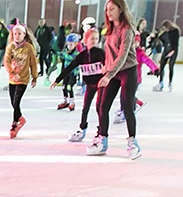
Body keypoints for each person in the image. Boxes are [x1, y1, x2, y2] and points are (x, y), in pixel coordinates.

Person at [86, 0, 141, 159]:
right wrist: (106, 70)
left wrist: (109, 75)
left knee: (127, 106)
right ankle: (102, 140)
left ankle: (133, 142)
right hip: (112, 71)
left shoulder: (127, 30)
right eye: (107, 9)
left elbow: (123, 56)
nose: (108, 12)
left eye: (112, 9)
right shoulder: (109, 30)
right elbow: (110, 53)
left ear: (120, 9)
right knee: (103, 106)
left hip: (127, 71)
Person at [54, 27, 105, 143]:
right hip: (90, 85)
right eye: (92, 38)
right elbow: (70, 67)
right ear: (86, 40)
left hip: (101, 84)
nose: (94, 41)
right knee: (85, 107)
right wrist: (58, 80)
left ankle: (101, 131)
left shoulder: (100, 53)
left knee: (100, 107)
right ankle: (82, 129)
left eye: (96, 39)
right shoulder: (82, 56)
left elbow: (108, 65)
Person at [3, 24, 38, 138]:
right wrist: (12, 73)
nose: (17, 36)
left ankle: (14, 124)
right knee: (13, 103)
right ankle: (20, 118)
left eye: (19, 34)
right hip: (12, 79)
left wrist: (34, 77)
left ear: (24, 35)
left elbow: (33, 63)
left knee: (16, 102)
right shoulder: (10, 47)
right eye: (15, 34)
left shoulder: (29, 48)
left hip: (23, 79)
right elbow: (6, 62)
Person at [54, 32, 80, 111]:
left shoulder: (77, 54)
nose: (69, 46)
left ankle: (72, 102)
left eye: (71, 45)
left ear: (75, 44)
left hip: (73, 74)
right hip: (66, 73)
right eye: (68, 44)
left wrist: (77, 75)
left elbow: (78, 65)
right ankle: (66, 101)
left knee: (69, 87)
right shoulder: (66, 51)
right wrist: (55, 53)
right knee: (64, 86)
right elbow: (62, 55)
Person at [152, 20, 180, 92]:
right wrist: (155, 36)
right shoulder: (165, 33)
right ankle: (161, 83)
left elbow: (176, 43)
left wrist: (172, 51)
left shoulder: (175, 31)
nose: (165, 29)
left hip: (173, 51)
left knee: (171, 66)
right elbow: (160, 39)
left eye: (166, 28)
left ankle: (170, 83)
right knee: (162, 66)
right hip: (166, 51)